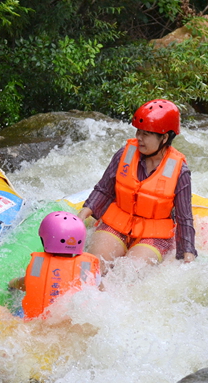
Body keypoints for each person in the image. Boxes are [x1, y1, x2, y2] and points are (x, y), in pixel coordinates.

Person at [77, 99, 197, 270]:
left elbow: (184, 216)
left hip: (153, 235)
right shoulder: (124, 154)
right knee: (94, 267)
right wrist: (81, 216)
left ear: (164, 137)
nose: (139, 138)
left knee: (126, 275)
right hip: (117, 224)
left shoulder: (180, 171)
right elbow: (104, 190)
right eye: (138, 132)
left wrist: (188, 255)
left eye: (146, 134)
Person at [9, 211, 100, 319]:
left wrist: (11, 283)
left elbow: (27, 283)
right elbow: (95, 289)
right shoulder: (86, 266)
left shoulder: (38, 264)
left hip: (37, 325)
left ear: (44, 239)